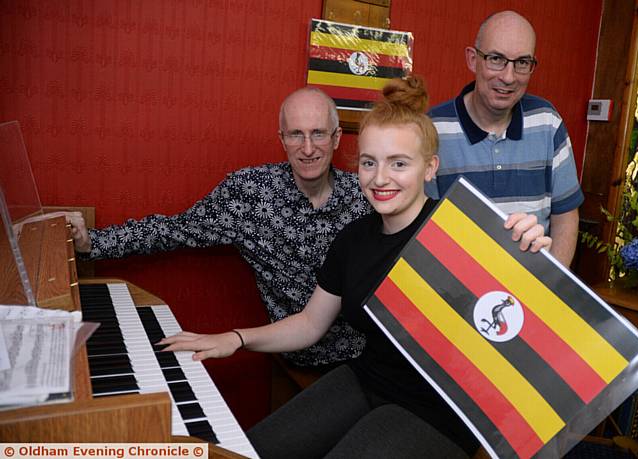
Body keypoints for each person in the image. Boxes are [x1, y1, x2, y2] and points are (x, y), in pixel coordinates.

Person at [160, 76, 552, 458]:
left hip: (437, 411)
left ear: (430, 168)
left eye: (399, 163)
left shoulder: (459, 235)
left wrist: (527, 257)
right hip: (366, 378)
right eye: (369, 163)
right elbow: (311, 323)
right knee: (253, 450)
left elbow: (521, 329)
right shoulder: (353, 238)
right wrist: (236, 338)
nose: (380, 179)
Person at [65, 86, 373, 367]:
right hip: (304, 356)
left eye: (318, 133)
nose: (307, 148)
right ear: (281, 139)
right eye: (296, 134)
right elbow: (175, 230)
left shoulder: (366, 195)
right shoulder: (249, 193)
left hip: (372, 350)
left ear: (335, 139)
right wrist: (92, 242)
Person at [427, 10, 582, 268]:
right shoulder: (432, 129)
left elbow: (565, 215)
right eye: (496, 59)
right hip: (454, 288)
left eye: (522, 63)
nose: (509, 77)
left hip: (532, 287)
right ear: (473, 59)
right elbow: (421, 226)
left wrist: (553, 288)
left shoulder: (547, 121)